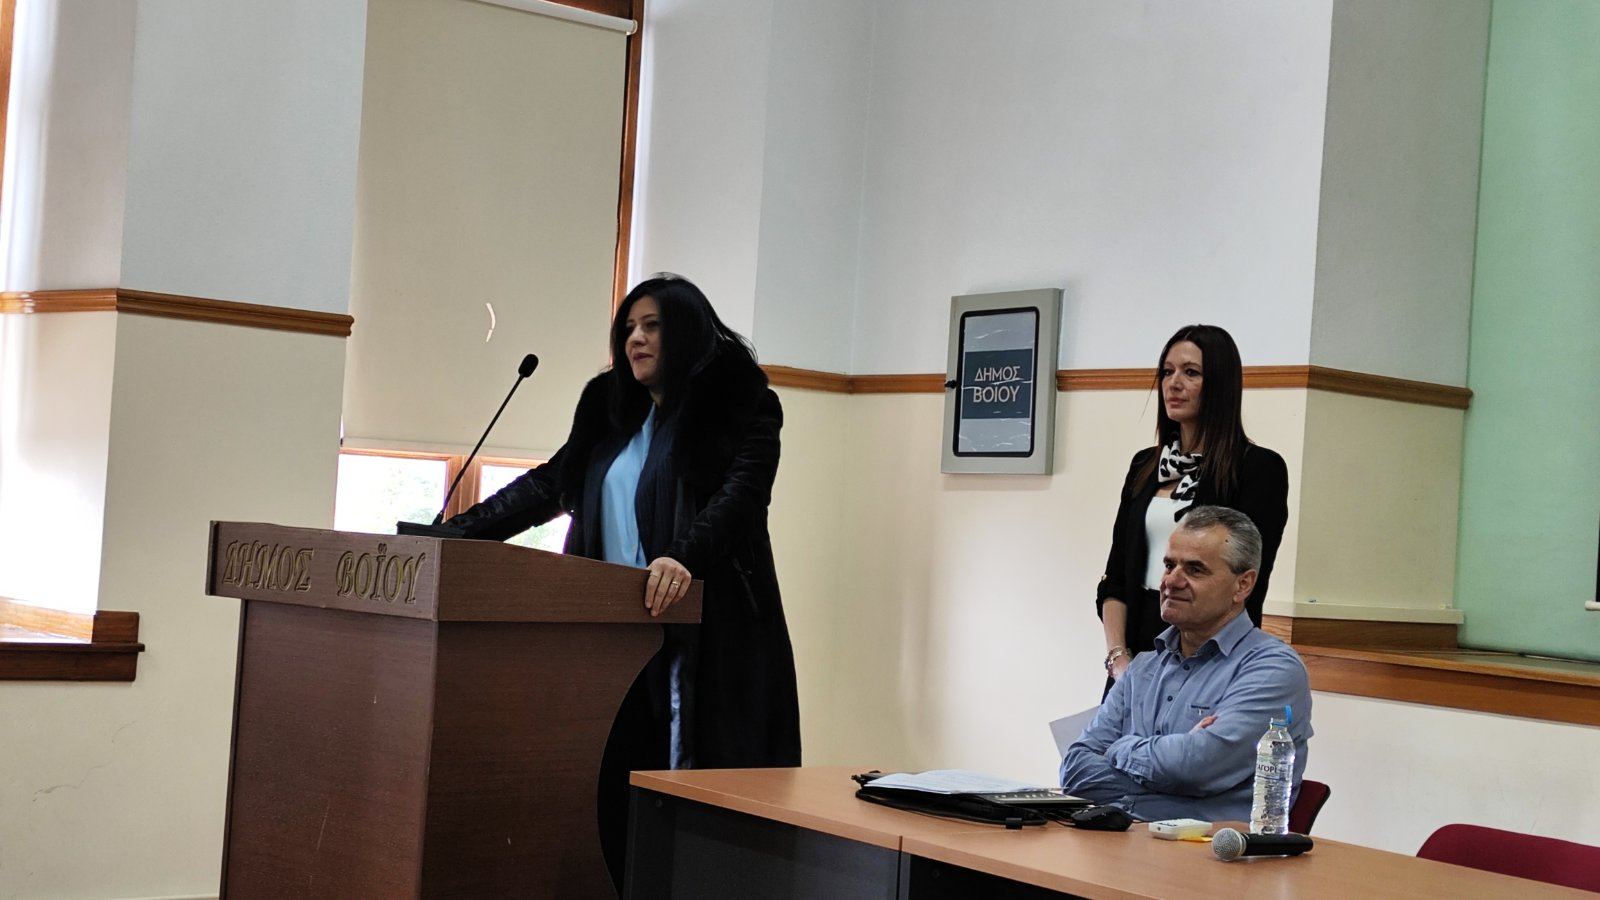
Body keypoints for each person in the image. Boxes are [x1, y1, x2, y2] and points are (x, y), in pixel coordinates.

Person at [443, 273, 801, 887]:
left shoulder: (740, 404)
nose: (635, 339)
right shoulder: (612, 413)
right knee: (606, 795)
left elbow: (741, 497)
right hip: (608, 641)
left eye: (652, 326)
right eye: (629, 328)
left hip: (701, 640)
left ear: (686, 331)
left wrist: (683, 557)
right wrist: (447, 537)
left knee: (685, 805)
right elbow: (547, 486)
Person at [1061, 506, 1312, 823]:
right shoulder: (1143, 668)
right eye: (1169, 565)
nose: (1171, 581)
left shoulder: (1272, 671)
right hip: (1122, 839)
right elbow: (1075, 771)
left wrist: (1119, 749)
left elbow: (1197, 767)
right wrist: (1171, 762)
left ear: (1243, 585)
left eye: (1195, 570)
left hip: (1212, 849)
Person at [1097, 324, 1288, 688]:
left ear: (1220, 384)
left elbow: (1246, 583)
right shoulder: (1145, 465)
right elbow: (1115, 577)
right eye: (1167, 372)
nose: (1174, 383)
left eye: (1191, 372)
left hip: (1209, 653)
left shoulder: (1258, 469)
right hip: (1134, 652)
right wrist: (1119, 659)